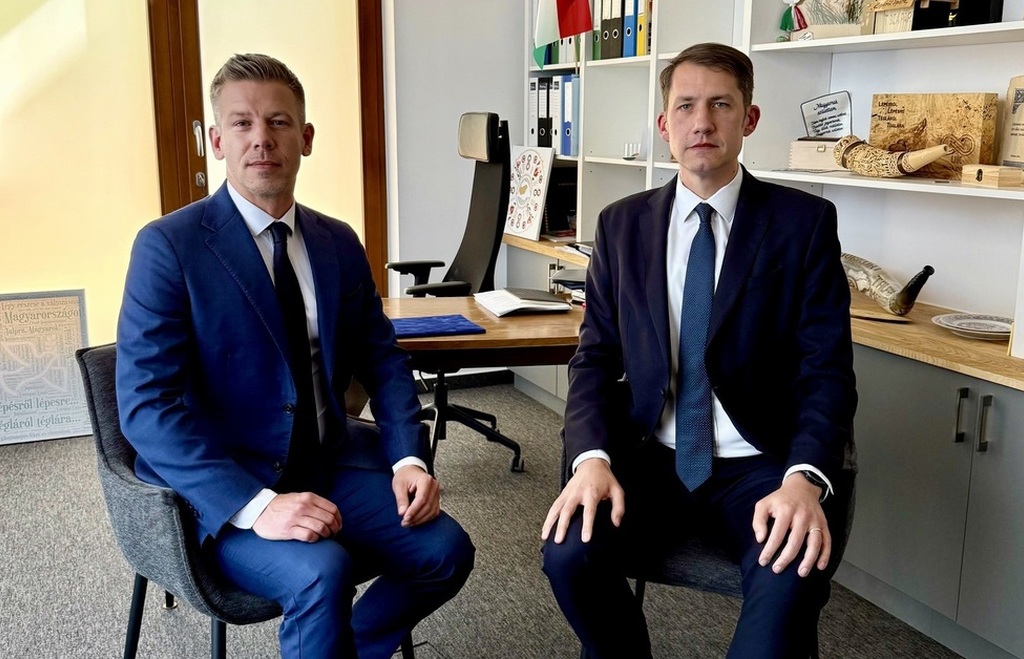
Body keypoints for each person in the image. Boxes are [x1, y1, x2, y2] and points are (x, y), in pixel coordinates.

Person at [116, 53, 474, 659]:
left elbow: (382, 360)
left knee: (445, 553)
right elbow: (146, 407)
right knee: (321, 573)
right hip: (225, 487)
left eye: (279, 122)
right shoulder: (168, 247)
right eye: (242, 123)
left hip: (326, 464)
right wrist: (255, 506)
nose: (261, 138)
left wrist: (408, 458)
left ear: (305, 138)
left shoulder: (338, 241)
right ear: (217, 141)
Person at [541, 42, 857, 658]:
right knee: (567, 555)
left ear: (749, 119)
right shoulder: (620, 224)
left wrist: (804, 479)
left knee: (786, 585)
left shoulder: (804, 223)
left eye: (721, 105)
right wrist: (591, 459)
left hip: (761, 465)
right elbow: (596, 358)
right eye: (685, 106)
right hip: (650, 456)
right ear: (665, 125)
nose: (702, 122)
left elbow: (827, 371)